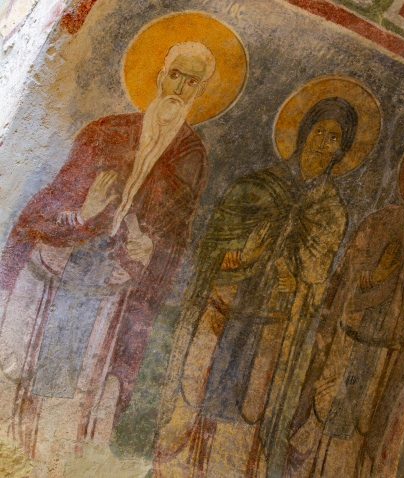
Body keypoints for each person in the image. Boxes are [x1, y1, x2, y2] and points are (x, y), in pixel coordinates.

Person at [0, 41, 213, 459]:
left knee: (78, 395)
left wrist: (150, 248)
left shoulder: (193, 156)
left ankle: (48, 461)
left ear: (201, 90)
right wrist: (81, 215)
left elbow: (176, 235)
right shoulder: (107, 130)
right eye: (175, 75)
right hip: (55, 278)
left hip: (113, 295)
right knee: (20, 377)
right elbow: (50, 202)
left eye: (192, 82)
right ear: (158, 75)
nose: (180, 87)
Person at [153, 97, 359, 478]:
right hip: (223, 312)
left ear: (342, 150)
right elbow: (209, 256)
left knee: (247, 409)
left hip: (273, 325)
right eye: (320, 132)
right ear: (303, 131)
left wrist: (293, 278)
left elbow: (316, 282)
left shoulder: (330, 212)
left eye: (335, 139)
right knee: (199, 389)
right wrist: (243, 257)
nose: (324, 144)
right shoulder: (254, 188)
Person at [282, 144, 404, 478]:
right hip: (347, 342)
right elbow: (343, 288)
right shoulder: (381, 220)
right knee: (321, 418)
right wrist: (380, 275)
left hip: (387, 356)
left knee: (358, 437)